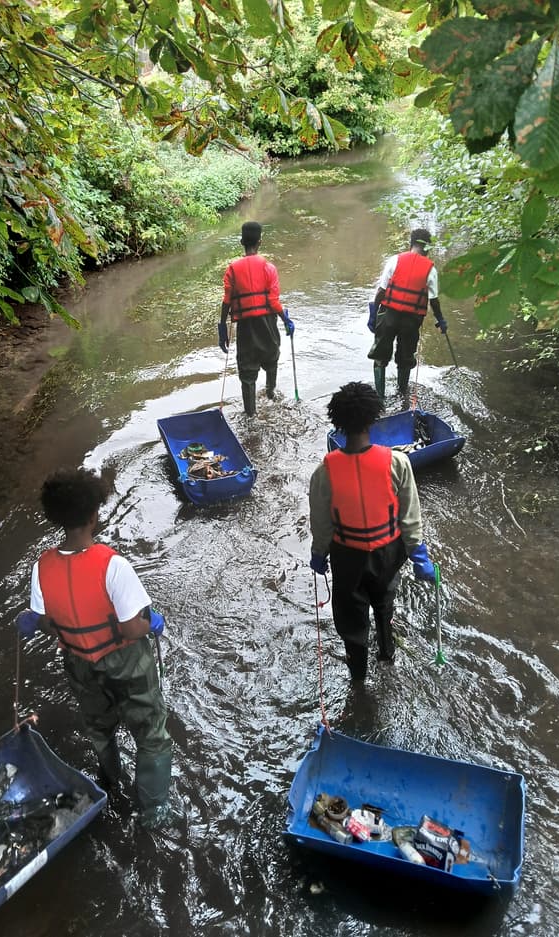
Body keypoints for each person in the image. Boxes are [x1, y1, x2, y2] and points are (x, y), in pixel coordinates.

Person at [15, 467, 173, 829]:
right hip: (125, 662)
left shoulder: (42, 566)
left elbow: (46, 621)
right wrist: (154, 623)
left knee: (99, 727)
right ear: (93, 515)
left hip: (79, 663)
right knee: (151, 733)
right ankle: (154, 811)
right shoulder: (113, 565)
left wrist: (30, 621)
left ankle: (109, 779)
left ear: (57, 517)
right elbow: (132, 626)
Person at [308, 382, 437, 682]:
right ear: (373, 420)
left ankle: (358, 678)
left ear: (337, 424)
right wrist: (419, 555)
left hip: (347, 556)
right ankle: (387, 654)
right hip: (387, 553)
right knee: (384, 599)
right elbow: (409, 515)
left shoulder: (324, 471)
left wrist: (319, 553)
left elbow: (321, 521)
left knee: (351, 616)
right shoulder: (397, 462)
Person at [218, 221, 294, 416]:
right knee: (271, 358)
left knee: (247, 371)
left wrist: (222, 328)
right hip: (267, 323)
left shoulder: (232, 269)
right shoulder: (268, 267)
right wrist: (285, 320)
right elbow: (273, 301)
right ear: (260, 242)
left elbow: (227, 301)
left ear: (242, 242)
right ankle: (270, 394)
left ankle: (250, 414)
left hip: (245, 327)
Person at [367, 227, 448, 399]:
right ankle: (402, 395)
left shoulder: (395, 260)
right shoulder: (431, 270)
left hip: (388, 315)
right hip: (411, 320)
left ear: (410, 244)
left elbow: (381, 291)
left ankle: (380, 398)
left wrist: (373, 314)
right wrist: (440, 319)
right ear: (427, 248)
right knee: (405, 357)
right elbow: (433, 300)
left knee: (380, 355)